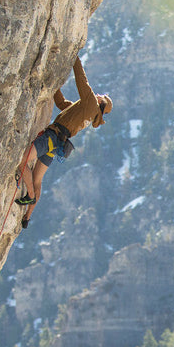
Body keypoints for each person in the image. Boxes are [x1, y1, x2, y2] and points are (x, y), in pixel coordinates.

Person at [15, 56, 113, 228]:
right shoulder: (87, 113)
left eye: (102, 96)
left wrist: (75, 58)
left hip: (51, 138)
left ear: (101, 103)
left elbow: (82, 81)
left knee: (23, 160)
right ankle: (27, 217)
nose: (98, 94)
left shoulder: (90, 104)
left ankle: (29, 194)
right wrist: (54, 86)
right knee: (37, 180)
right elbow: (62, 104)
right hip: (56, 146)